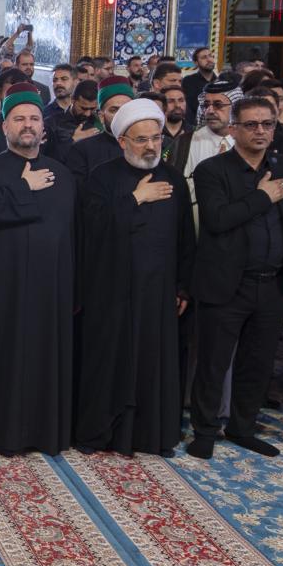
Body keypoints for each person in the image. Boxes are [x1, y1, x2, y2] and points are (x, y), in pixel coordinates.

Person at [74, 97, 195, 456]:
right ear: (122, 141)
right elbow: (91, 230)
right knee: (110, 362)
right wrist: (135, 198)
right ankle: (101, 433)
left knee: (152, 364)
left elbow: (185, 238)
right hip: (111, 291)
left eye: (156, 138)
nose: (151, 146)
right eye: (141, 140)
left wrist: (183, 286)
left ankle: (149, 436)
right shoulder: (102, 178)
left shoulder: (173, 179)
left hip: (157, 292)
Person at [188, 95, 283, 458]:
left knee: (258, 362)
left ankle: (243, 427)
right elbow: (218, 220)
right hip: (226, 283)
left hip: (272, 283)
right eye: (251, 124)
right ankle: (205, 430)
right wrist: (262, 196)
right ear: (233, 129)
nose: (260, 131)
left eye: (267, 124)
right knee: (214, 362)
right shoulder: (212, 171)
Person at [0, 88, 74, 454]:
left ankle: (43, 433)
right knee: (1, 356)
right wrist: (23, 186)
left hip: (49, 288)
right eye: (19, 119)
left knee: (44, 359)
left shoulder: (62, 173)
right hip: (2, 286)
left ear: (43, 128)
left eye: (34, 119)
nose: (27, 125)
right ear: (5, 127)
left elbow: (71, 234)